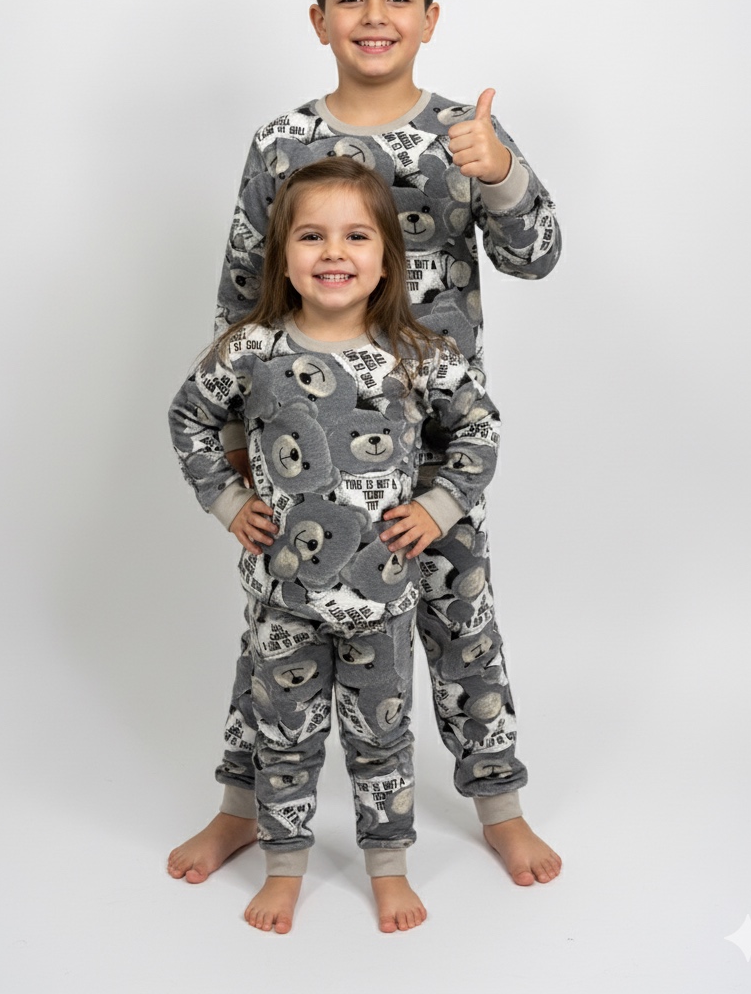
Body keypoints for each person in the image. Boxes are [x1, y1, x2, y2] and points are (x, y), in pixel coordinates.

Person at [168, 0, 562, 899]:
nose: (375, 16)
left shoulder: (464, 135)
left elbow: (538, 255)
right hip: (303, 446)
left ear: (430, 17)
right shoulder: (281, 143)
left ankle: (500, 804)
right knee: (277, 626)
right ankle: (243, 802)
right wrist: (236, 443)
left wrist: (501, 172)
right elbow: (239, 292)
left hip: (435, 445)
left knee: (461, 617)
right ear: (319, 18)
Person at [169, 157, 500, 932]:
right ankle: (284, 867)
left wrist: (439, 507)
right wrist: (226, 500)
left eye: (356, 236)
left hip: (384, 605)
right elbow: (189, 417)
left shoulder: (419, 354)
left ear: (386, 258)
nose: (333, 252)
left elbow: (478, 429)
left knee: (383, 742)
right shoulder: (250, 351)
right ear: (283, 255)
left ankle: (389, 868)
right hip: (284, 603)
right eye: (311, 236)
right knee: (283, 740)